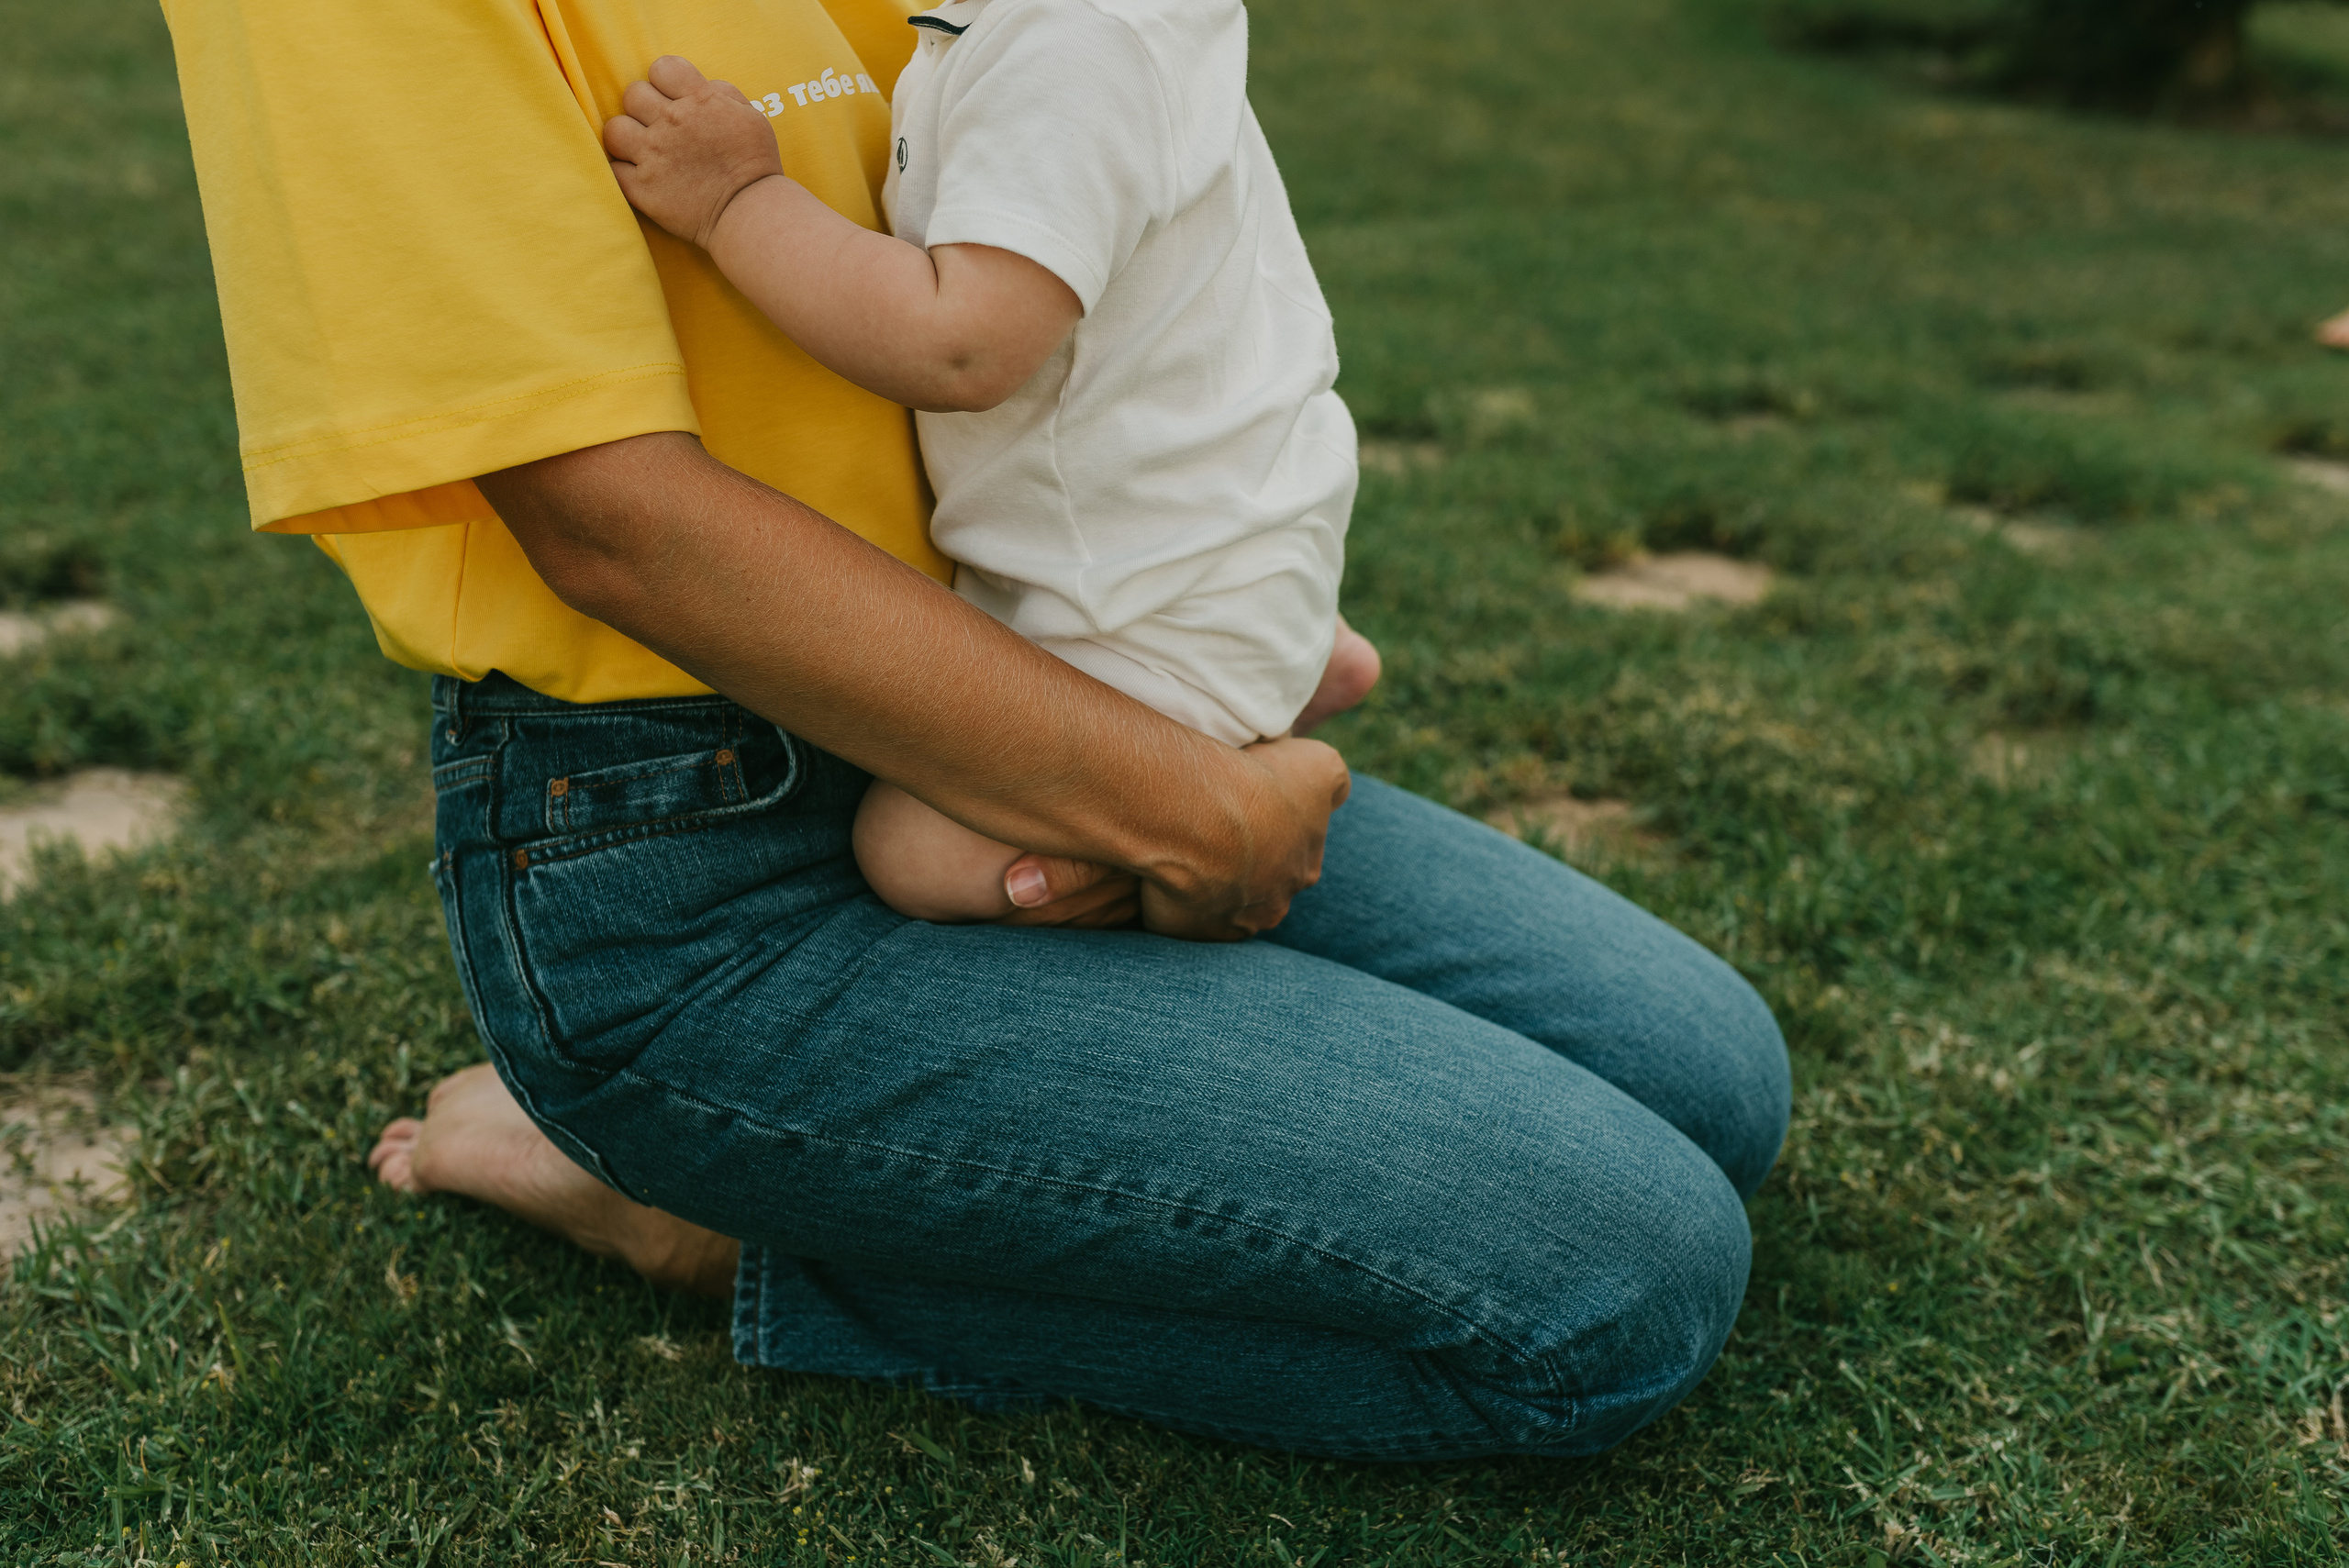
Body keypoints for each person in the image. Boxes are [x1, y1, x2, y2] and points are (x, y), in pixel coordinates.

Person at [163, 0, 1791, 1460]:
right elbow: (616, 524)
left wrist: (1196, 664)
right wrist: (1187, 810)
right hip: (697, 837)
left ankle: (886, 1170)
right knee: (1615, 1287)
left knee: (1714, 1080)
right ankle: (709, 1216)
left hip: (1020, 693)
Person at [602, 19, 1369, 922]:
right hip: (1231, 538)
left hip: (1137, 608)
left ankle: (1231, 800)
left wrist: (737, 201)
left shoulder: (1065, 45)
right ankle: (1285, 665)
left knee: (913, 850)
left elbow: (960, 345)